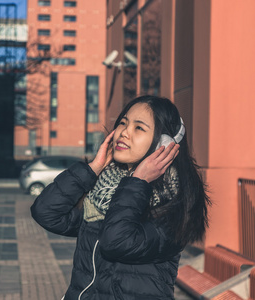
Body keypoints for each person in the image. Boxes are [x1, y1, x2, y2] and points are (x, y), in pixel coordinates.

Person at [31, 95, 210, 300]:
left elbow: (116, 242)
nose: (124, 132)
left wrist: (138, 181)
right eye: (123, 123)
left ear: (164, 144)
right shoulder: (102, 196)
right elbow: (45, 212)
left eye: (139, 128)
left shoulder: (171, 205)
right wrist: (93, 169)